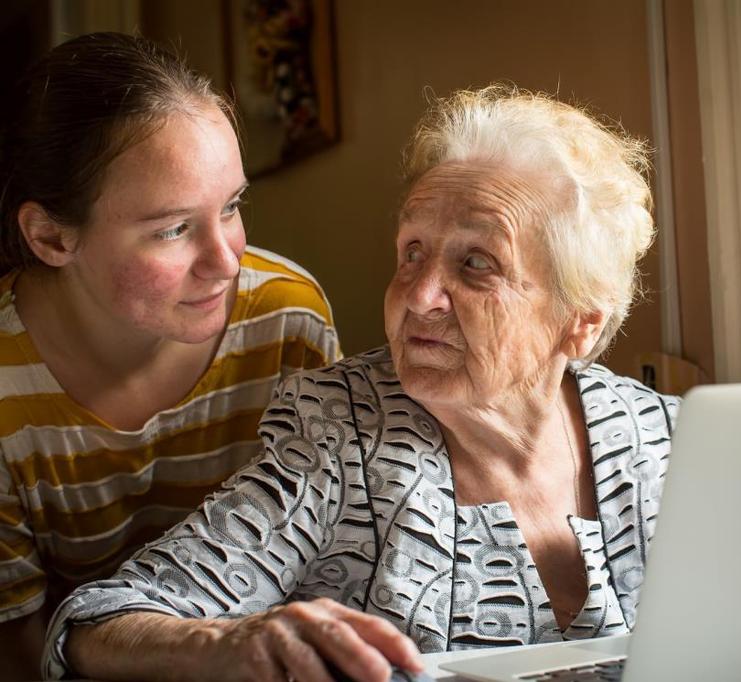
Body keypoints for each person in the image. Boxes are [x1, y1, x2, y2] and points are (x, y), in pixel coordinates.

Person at [43, 85, 680, 682]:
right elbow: (97, 620)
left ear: (578, 323)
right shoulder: (339, 435)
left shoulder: (670, 439)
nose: (421, 295)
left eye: (475, 263)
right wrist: (227, 641)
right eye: (412, 252)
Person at [0, 32, 341, 679]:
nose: (226, 260)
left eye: (233, 206)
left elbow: (322, 561)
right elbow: (15, 654)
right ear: (50, 236)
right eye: (173, 229)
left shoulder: (288, 323)